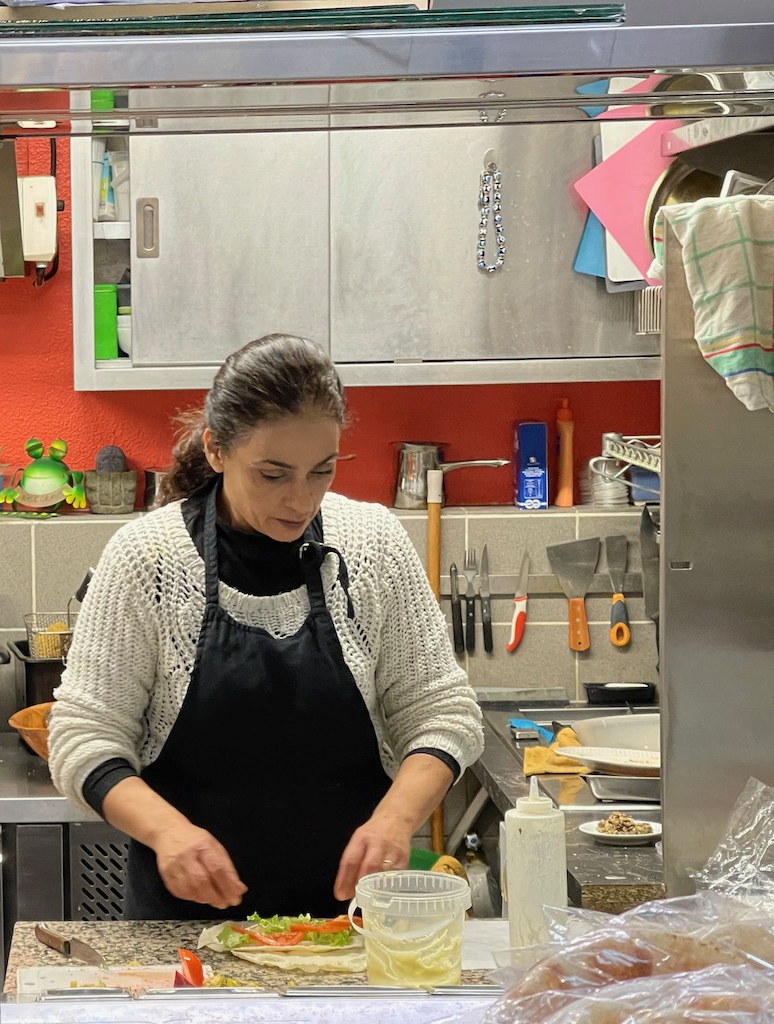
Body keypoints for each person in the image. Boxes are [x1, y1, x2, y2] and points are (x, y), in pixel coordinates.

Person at [48, 334, 482, 920]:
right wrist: (170, 833)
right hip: (182, 934)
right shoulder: (147, 559)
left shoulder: (373, 544)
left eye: (321, 471)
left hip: (350, 929)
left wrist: (396, 819)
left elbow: (443, 711)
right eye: (273, 474)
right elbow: (82, 736)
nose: (300, 499)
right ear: (217, 449)